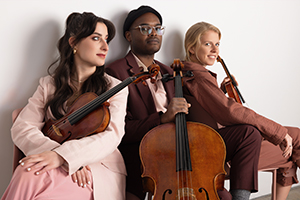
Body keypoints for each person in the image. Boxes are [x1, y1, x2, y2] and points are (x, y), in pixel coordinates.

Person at [1, 12, 128, 200]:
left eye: (106, 39)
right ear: (74, 43)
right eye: (96, 38)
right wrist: (57, 156)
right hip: (55, 164)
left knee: (27, 172)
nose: (105, 46)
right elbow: (22, 127)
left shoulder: (115, 88)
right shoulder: (49, 85)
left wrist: (67, 157)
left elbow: (111, 137)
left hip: (97, 170)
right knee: (27, 170)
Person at [181, 21, 300, 200]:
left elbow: (209, 108)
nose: (215, 50)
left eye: (217, 44)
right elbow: (230, 111)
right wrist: (278, 131)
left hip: (221, 140)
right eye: (207, 44)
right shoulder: (197, 75)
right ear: (191, 48)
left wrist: (220, 92)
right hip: (222, 146)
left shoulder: (193, 74)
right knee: (293, 140)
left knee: (291, 144)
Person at [105, 5, 192, 200]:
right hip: (142, 155)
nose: (154, 33)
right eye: (145, 28)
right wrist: (162, 119)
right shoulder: (115, 72)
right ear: (128, 36)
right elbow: (119, 131)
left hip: (177, 150)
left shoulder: (169, 72)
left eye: (158, 28)